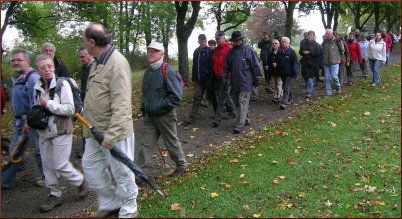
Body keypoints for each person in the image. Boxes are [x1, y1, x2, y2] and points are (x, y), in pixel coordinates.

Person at [81, 23, 138, 218]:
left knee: (122, 172)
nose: (83, 44)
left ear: (92, 42)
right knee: (90, 166)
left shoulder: (117, 63)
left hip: (114, 132)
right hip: (94, 130)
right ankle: (111, 202)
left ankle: (129, 210)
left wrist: (111, 136)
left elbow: (122, 104)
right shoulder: (98, 61)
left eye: (83, 40)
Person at [33, 54, 89, 213]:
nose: (47, 70)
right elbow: (36, 106)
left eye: (49, 66)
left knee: (60, 164)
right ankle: (54, 195)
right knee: (47, 166)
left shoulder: (61, 84)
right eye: (43, 67)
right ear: (38, 70)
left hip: (61, 128)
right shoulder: (36, 85)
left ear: (54, 67)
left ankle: (80, 182)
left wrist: (48, 103)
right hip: (43, 130)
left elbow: (70, 109)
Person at [137, 41, 187, 178]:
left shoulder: (168, 70)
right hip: (150, 115)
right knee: (146, 144)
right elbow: (146, 93)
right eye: (149, 51)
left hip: (165, 115)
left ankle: (181, 165)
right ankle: (139, 174)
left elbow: (176, 96)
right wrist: (144, 108)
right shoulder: (148, 71)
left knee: (170, 141)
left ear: (162, 54)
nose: (151, 53)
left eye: (154, 51)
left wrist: (158, 106)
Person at [1, 48, 45, 190]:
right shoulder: (16, 78)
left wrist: (29, 122)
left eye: (19, 60)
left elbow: (36, 102)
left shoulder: (32, 78)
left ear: (27, 61)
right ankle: (6, 180)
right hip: (18, 122)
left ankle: (48, 178)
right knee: (14, 150)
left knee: (40, 150)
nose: (15, 62)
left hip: (30, 122)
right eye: (13, 60)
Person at [222, 31, 262, 133]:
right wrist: (224, 76)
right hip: (235, 81)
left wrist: (257, 77)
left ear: (241, 40)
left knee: (242, 101)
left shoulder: (248, 50)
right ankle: (246, 118)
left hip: (246, 82)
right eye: (234, 41)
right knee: (238, 102)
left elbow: (256, 65)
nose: (235, 43)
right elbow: (226, 66)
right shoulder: (231, 52)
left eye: (237, 41)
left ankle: (240, 124)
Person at [184, 34, 216, 124]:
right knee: (196, 97)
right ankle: (192, 116)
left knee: (212, 96)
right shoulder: (196, 52)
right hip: (198, 79)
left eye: (205, 41)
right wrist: (193, 78)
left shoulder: (210, 51)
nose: (203, 43)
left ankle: (217, 113)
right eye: (202, 41)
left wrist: (211, 77)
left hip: (208, 79)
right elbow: (194, 66)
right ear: (198, 42)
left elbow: (212, 65)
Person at [212, 30, 237, 127]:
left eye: (218, 39)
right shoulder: (216, 50)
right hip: (217, 76)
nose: (217, 40)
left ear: (223, 37)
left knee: (222, 97)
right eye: (216, 39)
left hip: (227, 77)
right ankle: (233, 112)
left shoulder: (229, 49)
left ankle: (217, 119)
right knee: (224, 95)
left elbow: (232, 64)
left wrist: (228, 75)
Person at [75, 48, 94, 159]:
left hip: (94, 102)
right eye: (79, 57)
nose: (80, 59)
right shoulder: (85, 68)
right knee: (85, 126)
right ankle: (86, 150)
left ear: (90, 55)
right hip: (84, 102)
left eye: (82, 57)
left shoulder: (96, 67)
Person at [277, 37, 299, 110]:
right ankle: (290, 98)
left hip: (289, 73)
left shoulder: (292, 52)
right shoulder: (279, 52)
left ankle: (284, 103)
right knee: (284, 86)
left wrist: (295, 73)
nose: (283, 43)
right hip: (282, 73)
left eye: (285, 42)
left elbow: (295, 63)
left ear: (288, 43)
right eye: (282, 42)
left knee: (286, 87)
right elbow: (278, 61)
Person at [299, 31, 322, 98]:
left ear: (313, 36)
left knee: (310, 77)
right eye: (308, 35)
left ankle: (309, 91)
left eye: (311, 35)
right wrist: (303, 52)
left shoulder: (317, 45)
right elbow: (300, 52)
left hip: (312, 64)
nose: (309, 36)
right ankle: (310, 87)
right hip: (305, 63)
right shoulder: (303, 43)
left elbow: (317, 53)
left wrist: (309, 52)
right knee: (305, 76)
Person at [322, 29, 344, 97]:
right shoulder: (324, 42)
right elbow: (322, 51)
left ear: (332, 34)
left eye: (328, 33)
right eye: (326, 33)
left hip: (335, 62)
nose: (327, 35)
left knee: (334, 77)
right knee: (327, 78)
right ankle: (328, 93)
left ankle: (338, 88)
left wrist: (338, 57)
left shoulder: (338, 41)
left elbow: (342, 51)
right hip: (326, 63)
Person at [267, 39, 283, 103]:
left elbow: (283, 62)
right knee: (275, 84)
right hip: (273, 71)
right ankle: (278, 95)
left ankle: (278, 96)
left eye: (276, 43)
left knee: (279, 84)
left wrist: (277, 64)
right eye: (273, 43)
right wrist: (271, 65)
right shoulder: (270, 53)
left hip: (280, 71)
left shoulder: (281, 52)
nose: (274, 44)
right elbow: (268, 62)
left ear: (279, 44)